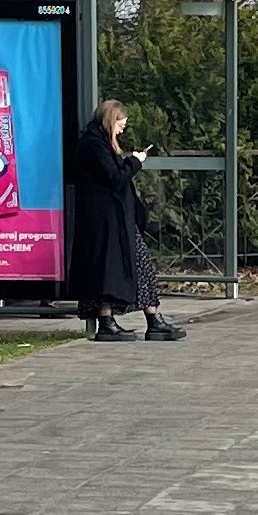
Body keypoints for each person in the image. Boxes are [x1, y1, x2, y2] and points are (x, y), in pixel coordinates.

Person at [70, 100, 185, 342]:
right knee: (130, 265)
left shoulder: (94, 143)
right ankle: (147, 319)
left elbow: (109, 172)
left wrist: (126, 158)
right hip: (109, 221)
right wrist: (135, 162)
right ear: (111, 120)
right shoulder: (94, 145)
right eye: (120, 124)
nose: (122, 129)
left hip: (109, 220)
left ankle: (117, 320)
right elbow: (114, 178)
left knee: (112, 270)